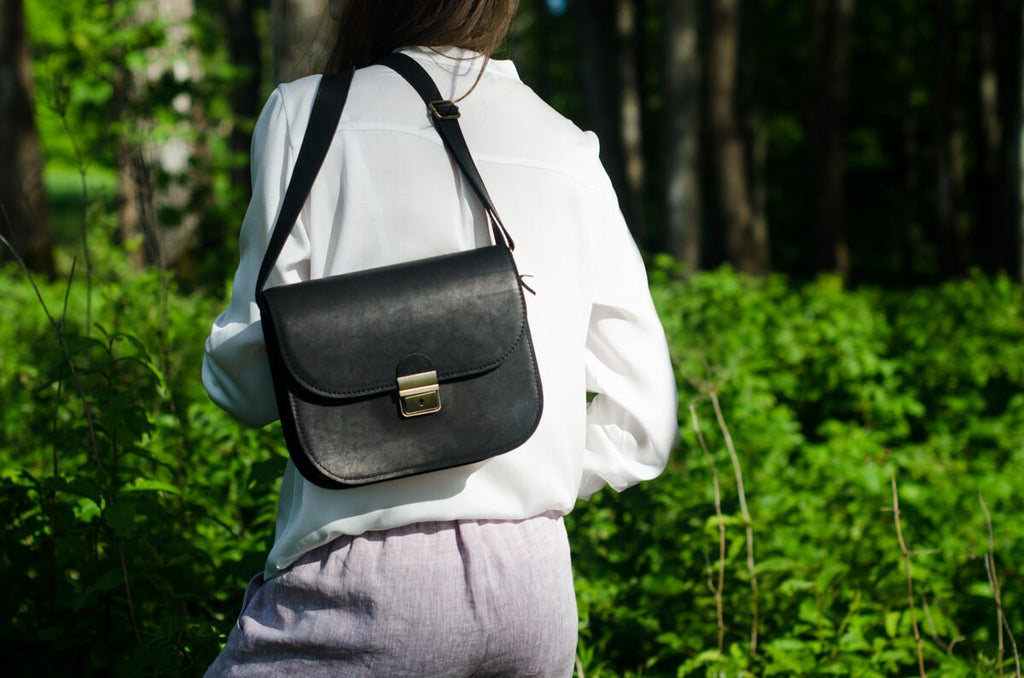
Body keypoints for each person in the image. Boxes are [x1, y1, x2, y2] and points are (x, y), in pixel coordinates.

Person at [201, 1, 678, 675]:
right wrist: (520, 456)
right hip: (535, 584)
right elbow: (644, 421)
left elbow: (243, 386)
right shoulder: (568, 145)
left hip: (364, 581)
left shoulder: (304, 115)